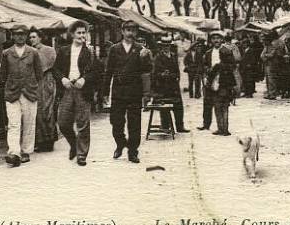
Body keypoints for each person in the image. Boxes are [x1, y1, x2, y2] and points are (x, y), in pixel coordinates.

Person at [101, 20, 152, 164]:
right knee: (116, 122)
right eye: (127, 30)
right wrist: (105, 93)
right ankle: (120, 143)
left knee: (134, 124)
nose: (130, 33)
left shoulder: (141, 49)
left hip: (135, 92)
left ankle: (133, 152)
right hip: (118, 91)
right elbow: (108, 71)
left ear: (136, 33)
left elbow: (147, 71)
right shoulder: (114, 49)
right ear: (122, 32)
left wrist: (145, 58)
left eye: (133, 30)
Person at [53, 20, 101, 166]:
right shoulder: (63, 50)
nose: (82, 35)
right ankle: (74, 144)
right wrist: (62, 79)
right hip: (67, 90)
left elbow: (97, 71)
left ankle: (81, 155)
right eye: (79, 33)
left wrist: (85, 80)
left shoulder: (90, 52)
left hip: (82, 90)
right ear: (72, 34)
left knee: (83, 124)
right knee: (63, 123)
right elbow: (55, 69)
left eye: (84, 33)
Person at [0, 24, 42, 167]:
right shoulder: (6, 53)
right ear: (12, 36)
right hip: (12, 93)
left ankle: (25, 151)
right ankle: (14, 152)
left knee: (29, 123)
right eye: (17, 34)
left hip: (29, 92)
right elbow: (3, 75)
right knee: (13, 123)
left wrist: (35, 89)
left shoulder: (33, 52)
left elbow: (39, 74)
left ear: (26, 36)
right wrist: (8, 87)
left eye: (23, 34)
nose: (20, 36)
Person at [199, 30, 236, 135]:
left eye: (218, 38)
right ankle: (220, 128)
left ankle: (225, 129)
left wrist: (220, 67)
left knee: (224, 105)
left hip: (224, 81)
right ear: (211, 40)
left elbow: (233, 66)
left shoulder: (227, 51)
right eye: (214, 38)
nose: (216, 40)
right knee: (216, 104)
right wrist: (208, 70)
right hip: (212, 81)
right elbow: (205, 65)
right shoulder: (208, 53)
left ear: (222, 40)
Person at [29, 27, 58, 152]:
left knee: (48, 110)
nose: (31, 39)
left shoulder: (49, 50)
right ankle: (40, 141)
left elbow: (52, 66)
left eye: (34, 37)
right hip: (35, 83)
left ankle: (49, 140)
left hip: (47, 81)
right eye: (30, 37)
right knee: (38, 111)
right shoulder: (29, 51)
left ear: (40, 38)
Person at [152, 36, 190, 133]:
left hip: (173, 86)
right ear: (161, 47)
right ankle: (165, 126)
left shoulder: (173, 56)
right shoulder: (158, 57)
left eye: (168, 46)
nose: (166, 47)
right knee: (164, 107)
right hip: (162, 87)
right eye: (164, 46)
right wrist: (162, 75)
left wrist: (173, 77)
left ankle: (180, 127)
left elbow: (177, 72)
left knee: (178, 107)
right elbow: (155, 73)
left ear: (170, 46)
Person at [261, 31, 286, 99]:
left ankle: (272, 93)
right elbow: (285, 51)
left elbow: (271, 54)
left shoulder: (273, 43)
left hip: (271, 62)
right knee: (274, 78)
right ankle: (273, 92)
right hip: (279, 61)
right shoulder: (282, 42)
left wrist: (265, 55)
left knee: (270, 78)